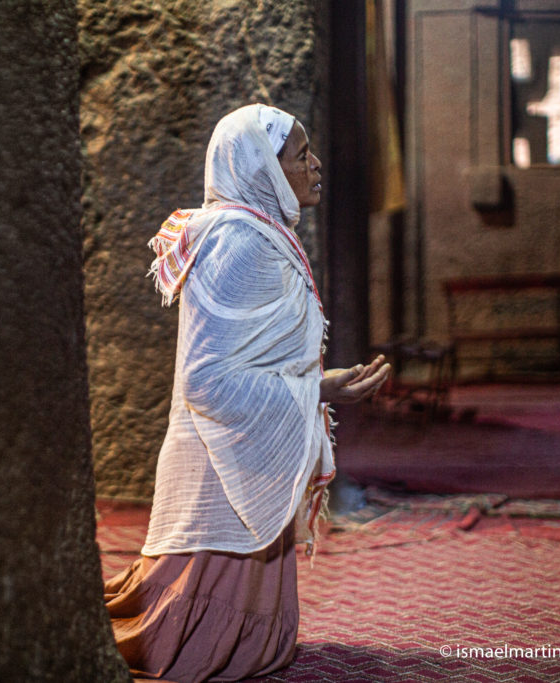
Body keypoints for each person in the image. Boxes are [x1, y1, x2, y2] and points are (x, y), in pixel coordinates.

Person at [104, 103, 389, 682]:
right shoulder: (241, 241)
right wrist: (316, 388)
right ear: (259, 167)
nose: (315, 166)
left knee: (239, 640)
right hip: (220, 451)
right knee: (170, 638)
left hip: (241, 443)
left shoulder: (261, 234)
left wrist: (318, 388)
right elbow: (204, 379)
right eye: (299, 156)